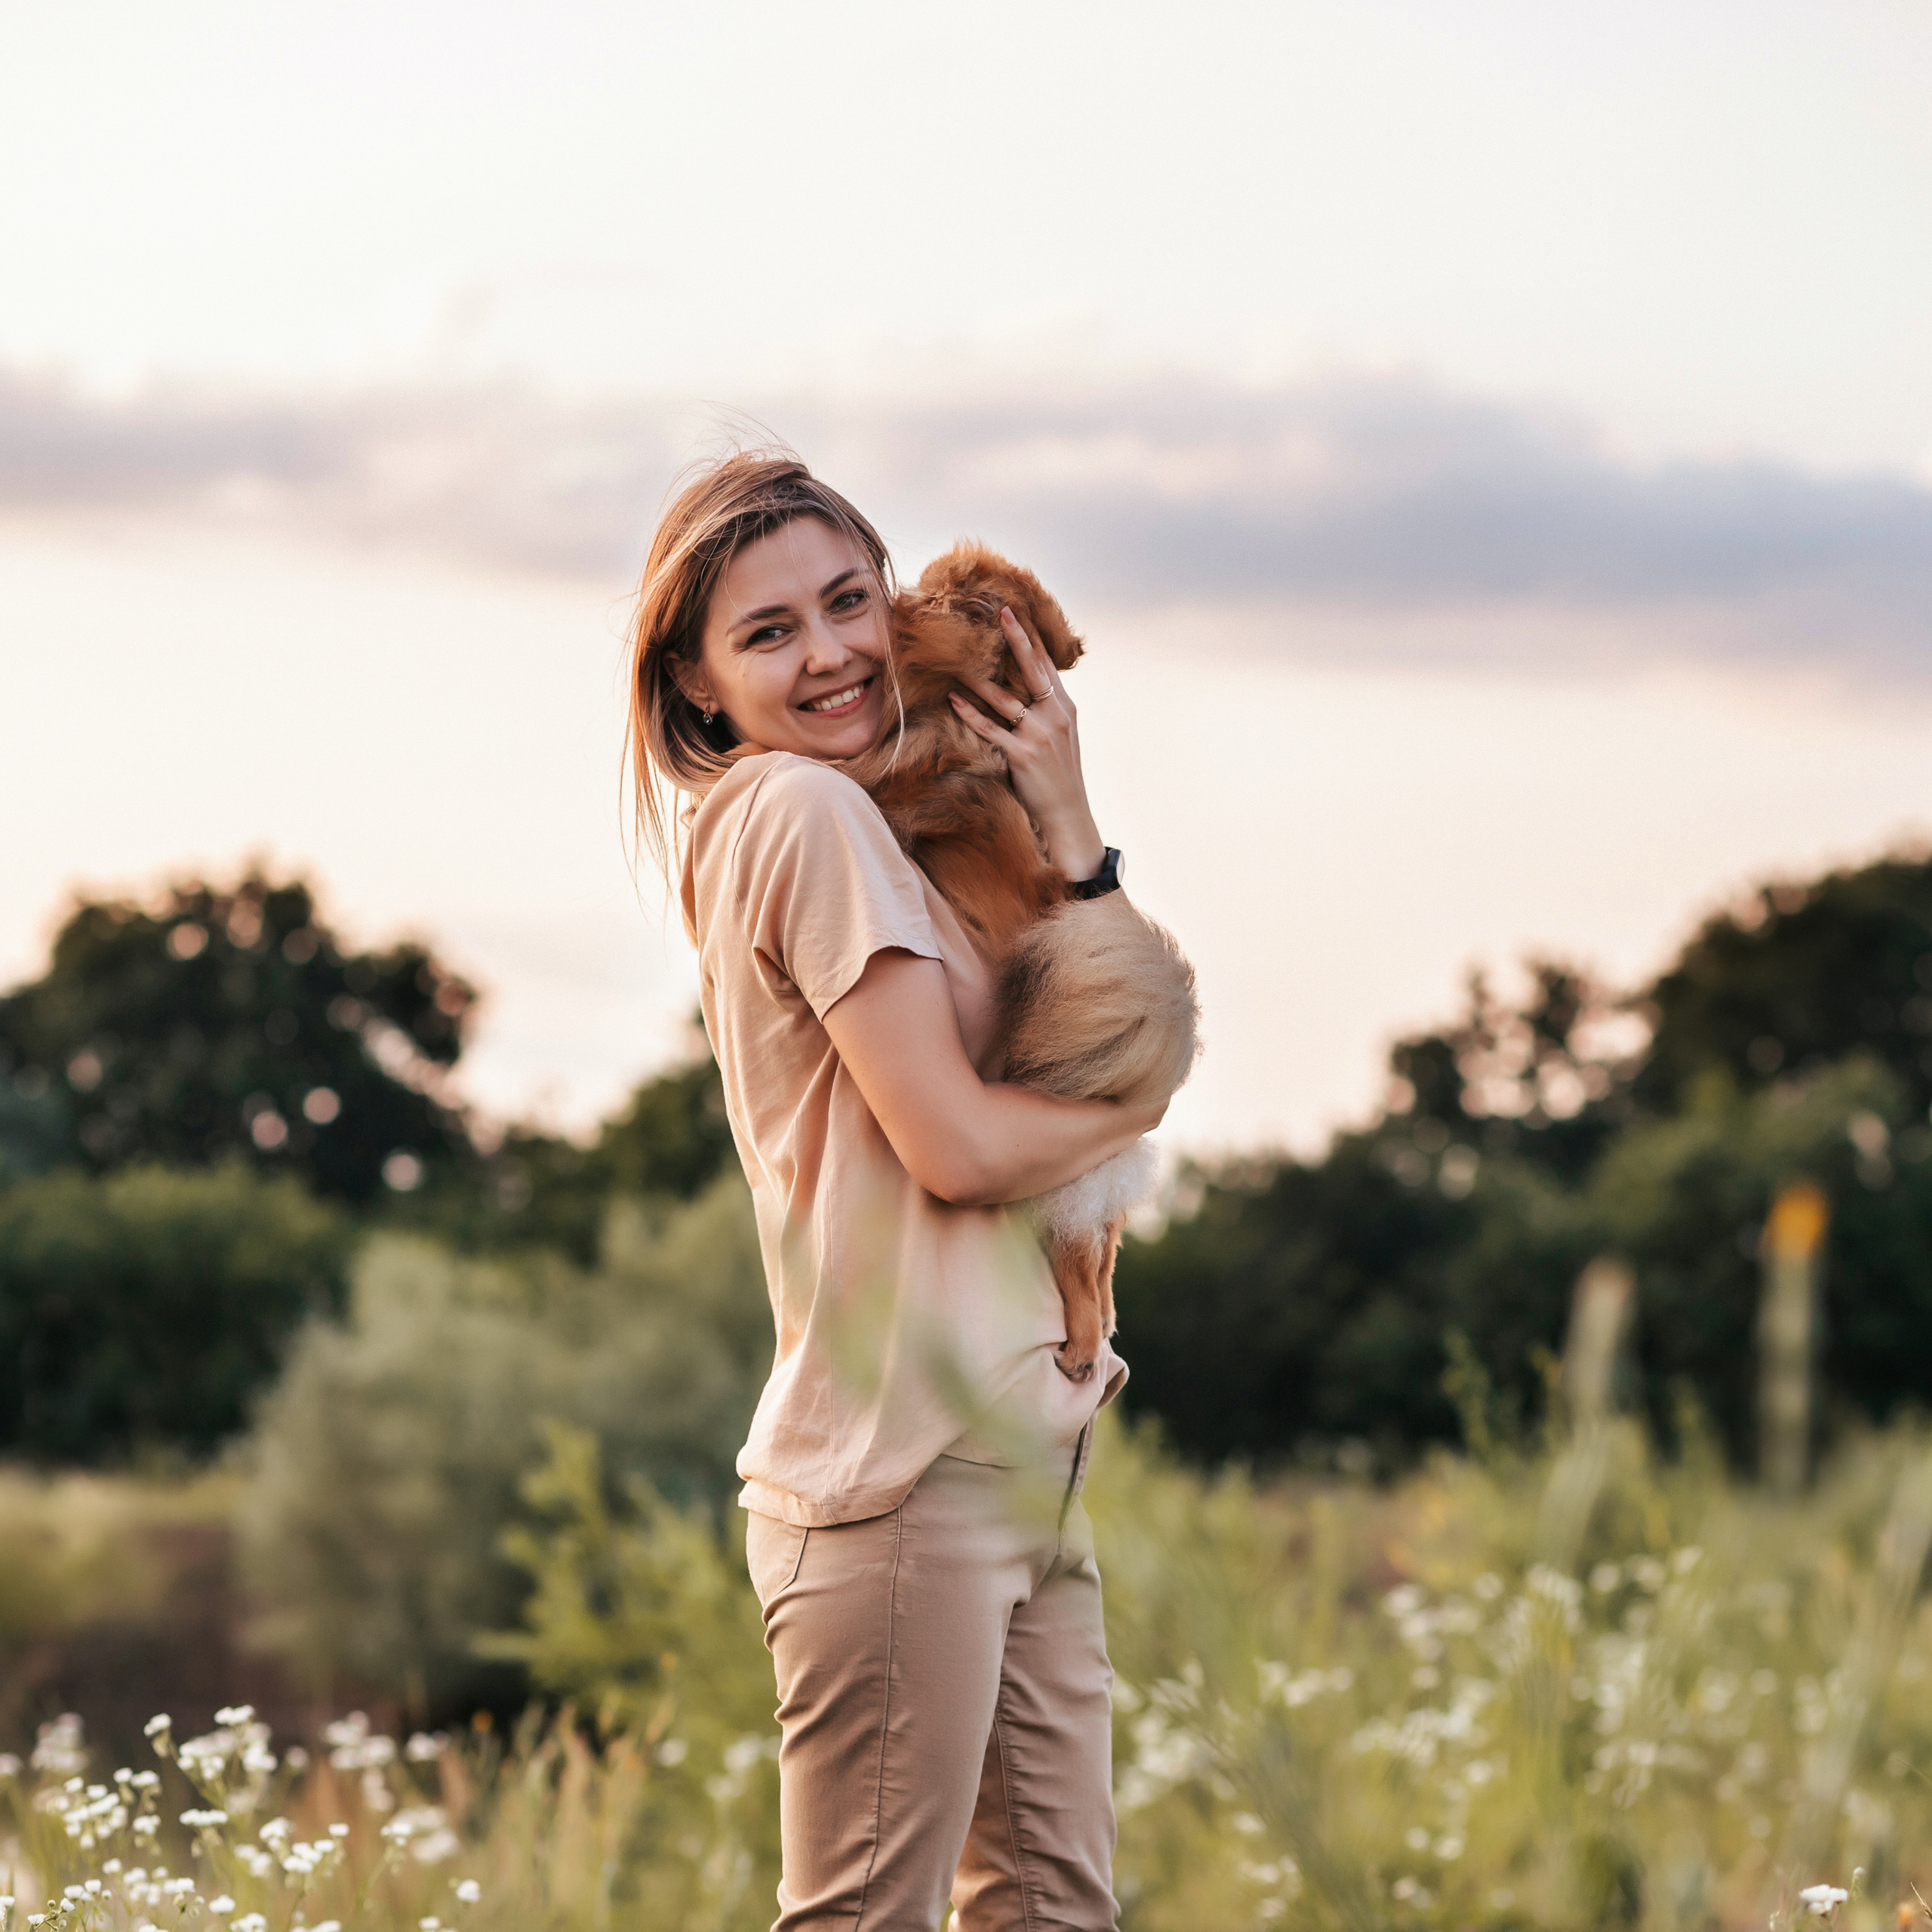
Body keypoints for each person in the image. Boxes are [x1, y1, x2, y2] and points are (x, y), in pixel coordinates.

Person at [626, 452, 1164, 1931]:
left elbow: (1088, 1030)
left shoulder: (896, 833)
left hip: (1017, 1451)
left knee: (1053, 1914)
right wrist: (1134, 1095)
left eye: (846, 601)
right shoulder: (795, 811)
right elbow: (963, 1146)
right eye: (768, 631)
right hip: (899, 1466)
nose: (829, 653)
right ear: (696, 680)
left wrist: (1064, 812)